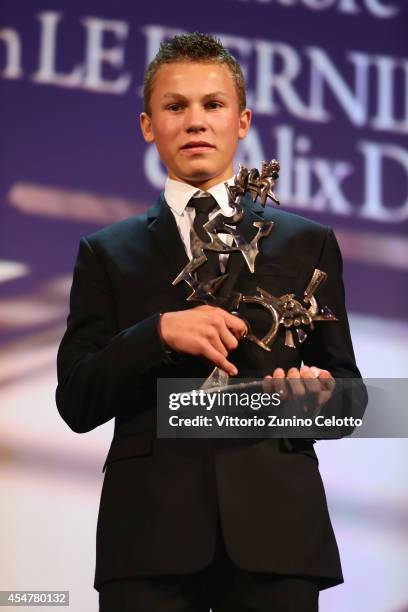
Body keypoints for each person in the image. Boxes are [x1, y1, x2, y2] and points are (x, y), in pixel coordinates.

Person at [56, 32, 366, 612]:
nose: (195, 121)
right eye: (175, 106)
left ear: (242, 121)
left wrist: (314, 400)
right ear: (148, 125)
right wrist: (158, 333)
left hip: (278, 534)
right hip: (149, 538)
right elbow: (76, 400)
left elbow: (351, 396)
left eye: (213, 104)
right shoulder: (106, 251)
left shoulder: (309, 243)